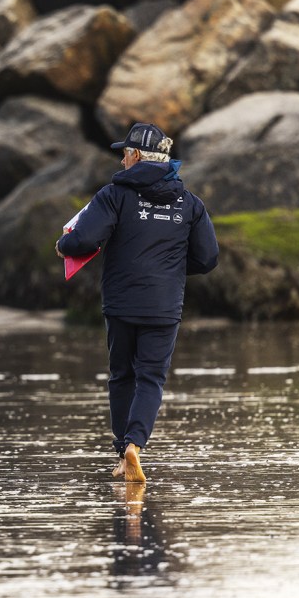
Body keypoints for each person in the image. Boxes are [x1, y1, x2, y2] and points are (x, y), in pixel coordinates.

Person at [56, 122, 218, 482]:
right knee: (151, 378)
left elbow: (84, 240)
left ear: (135, 156)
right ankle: (134, 446)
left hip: (121, 302)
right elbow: (208, 259)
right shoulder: (190, 203)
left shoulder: (114, 195)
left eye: (125, 153)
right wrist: (170, 268)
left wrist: (62, 246)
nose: (122, 160)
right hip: (164, 305)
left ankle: (121, 453)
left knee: (121, 376)